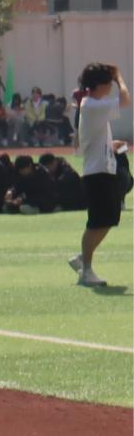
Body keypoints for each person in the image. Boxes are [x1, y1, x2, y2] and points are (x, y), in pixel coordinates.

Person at [70, 61, 130, 287]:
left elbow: (94, 137)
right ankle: (86, 270)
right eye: (109, 81)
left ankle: (82, 258)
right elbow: (126, 100)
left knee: (108, 219)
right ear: (100, 83)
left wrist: (111, 144)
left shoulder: (92, 104)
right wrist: (119, 77)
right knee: (97, 222)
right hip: (97, 172)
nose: (111, 85)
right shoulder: (93, 105)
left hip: (103, 169)